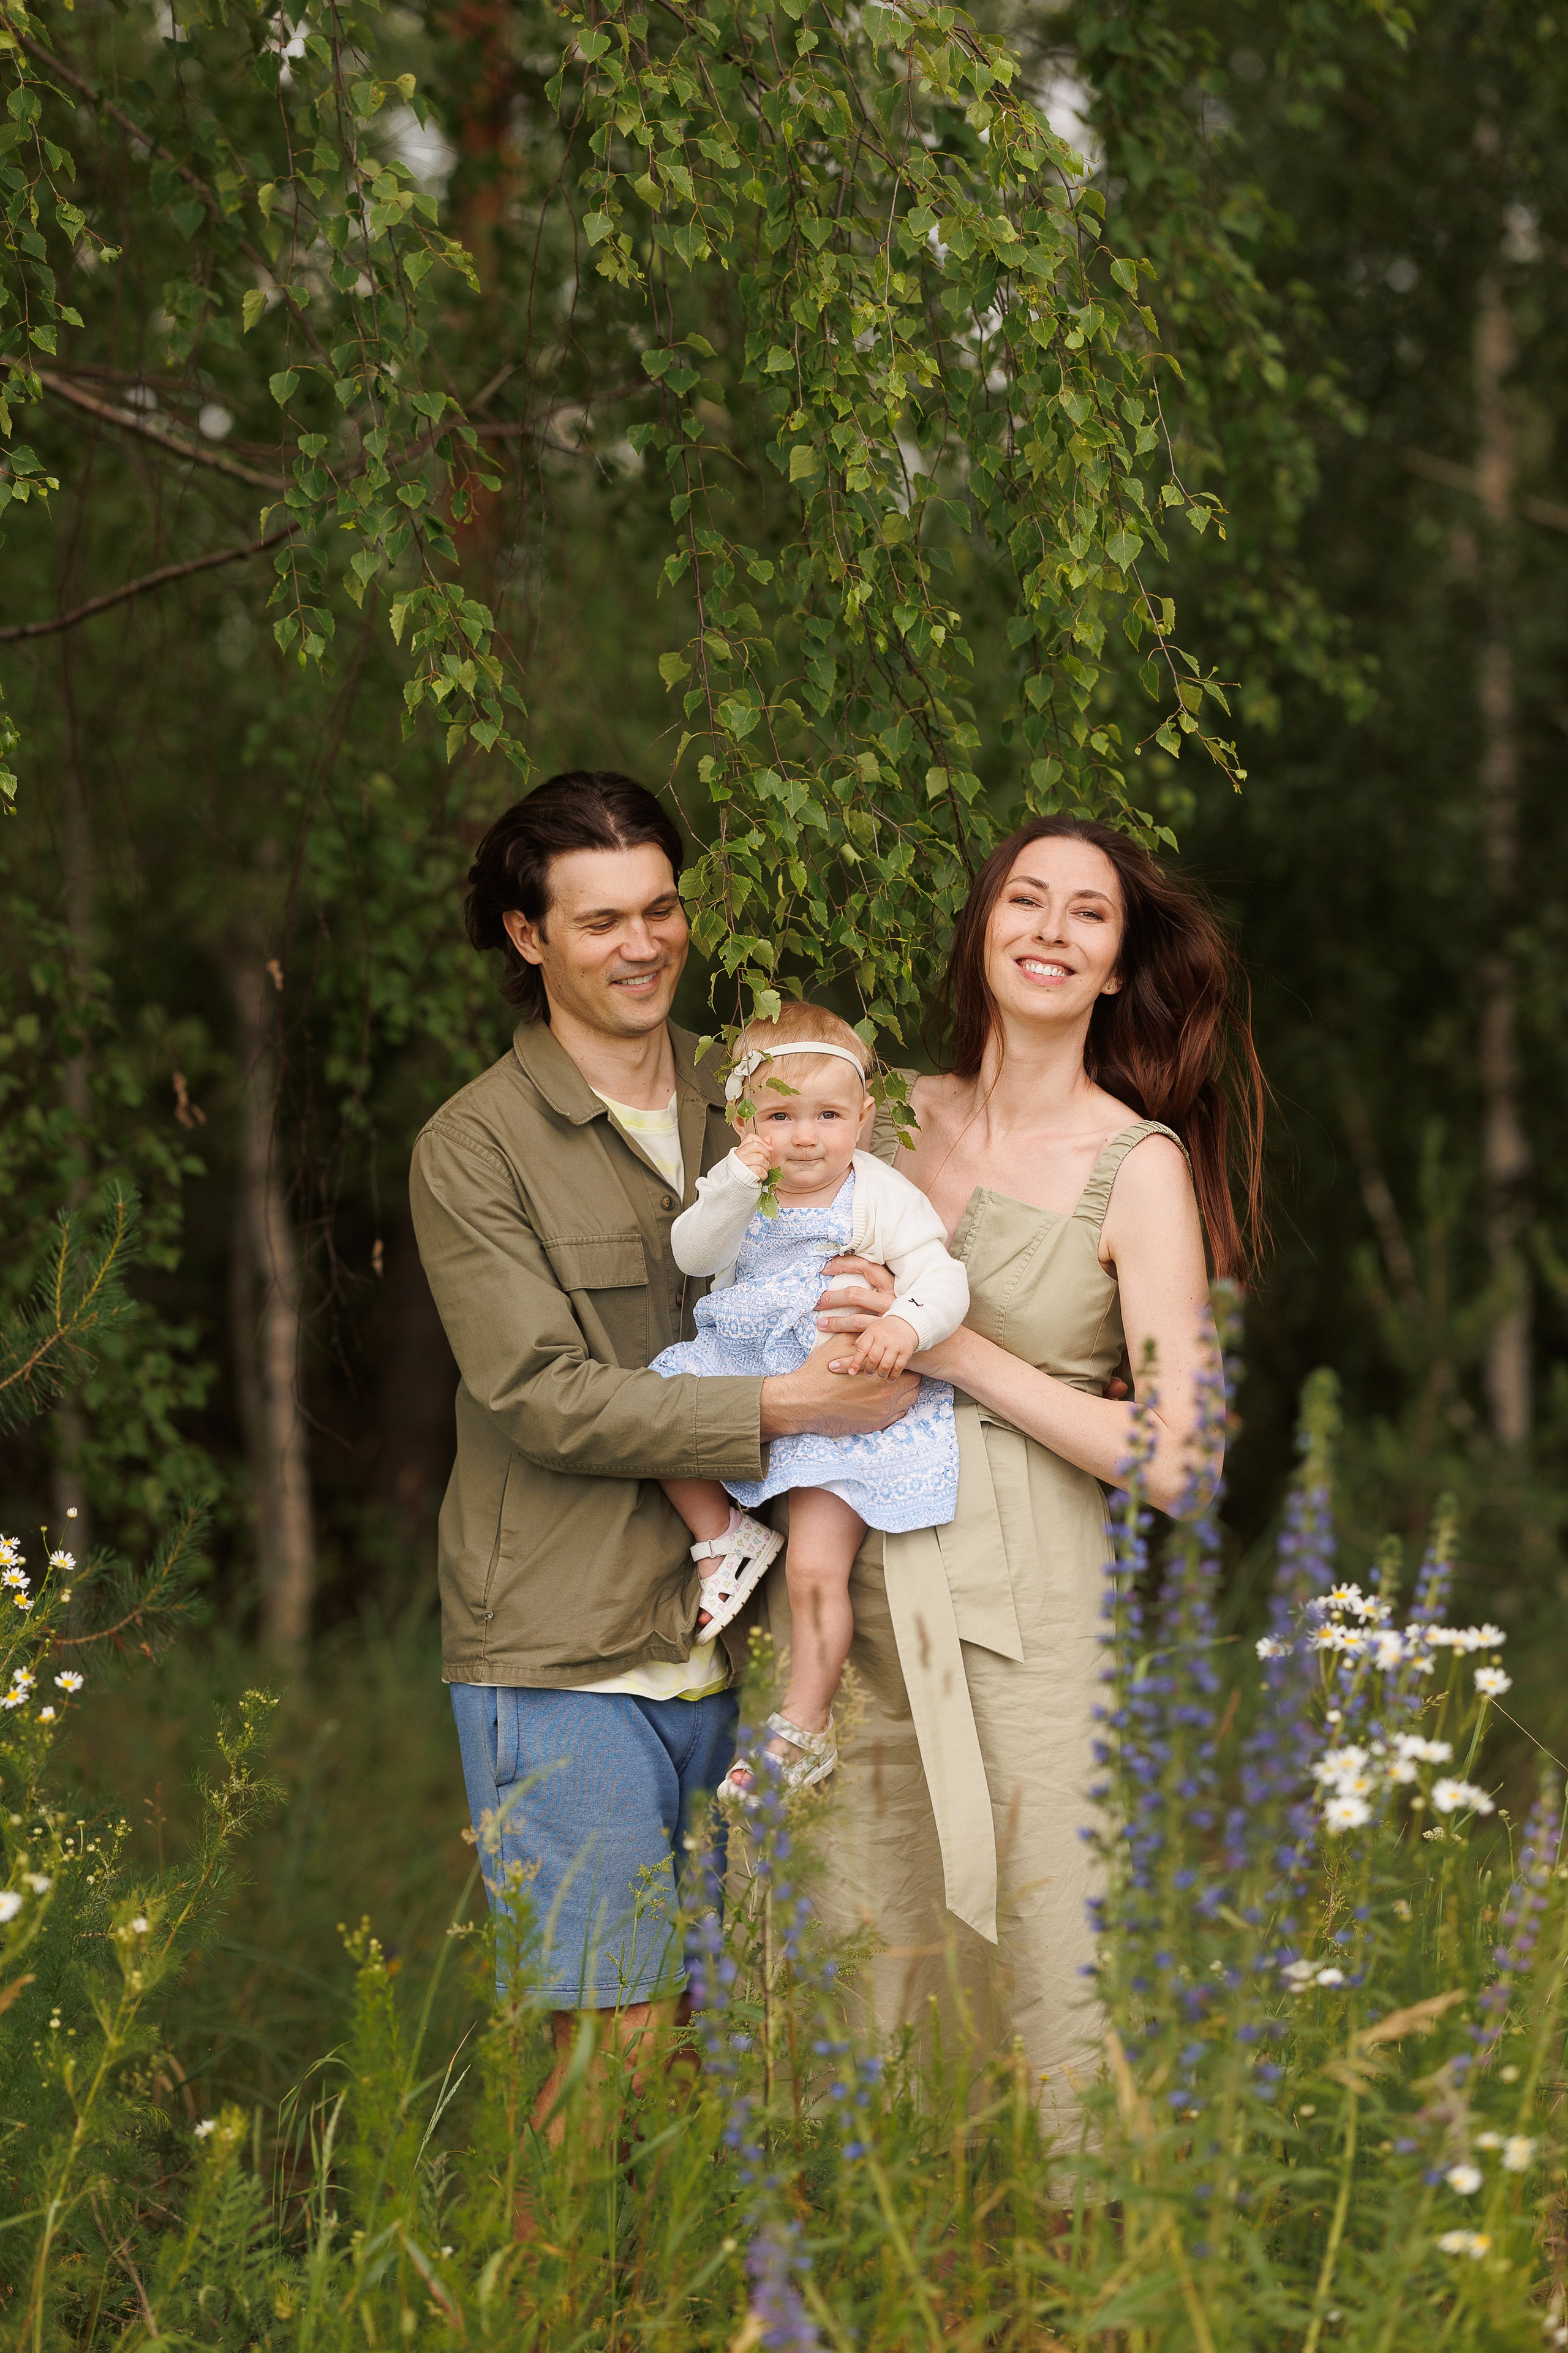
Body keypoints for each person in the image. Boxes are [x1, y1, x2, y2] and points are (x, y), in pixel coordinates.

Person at [408, 771, 917, 2134]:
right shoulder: (476, 1146)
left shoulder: (761, 1090)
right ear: (529, 939)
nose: (643, 945)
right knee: (605, 2041)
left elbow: (911, 1214)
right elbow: (539, 1395)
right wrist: (791, 1407)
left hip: (745, 1649)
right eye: (600, 921)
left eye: (663, 908)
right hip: (567, 1638)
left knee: (725, 2029)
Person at [760, 812, 1267, 2124]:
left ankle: (1067, 2284)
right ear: (981, 930)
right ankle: (852, 2262)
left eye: (1084, 914)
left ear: (1112, 966)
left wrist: (959, 1352)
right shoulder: (877, 1119)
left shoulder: (1133, 1165)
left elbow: (1182, 1459)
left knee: (1048, 1948)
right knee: (845, 1926)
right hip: (843, 1584)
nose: (1048, 930)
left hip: (1032, 1607)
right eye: (1023, 900)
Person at [649, 1002, 970, 1797]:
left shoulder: (878, 1193)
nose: (804, 1135)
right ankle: (724, 1536)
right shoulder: (742, 1187)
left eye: (827, 1115)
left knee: (817, 1568)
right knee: (657, 1414)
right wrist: (735, 1181)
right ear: (746, 1120)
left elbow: (942, 1277)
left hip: (840, 1383)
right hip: (746, 1363)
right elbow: (692, 1251)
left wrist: (905, 1321)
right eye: (780, 1115)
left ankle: (805, 1724)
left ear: (863, 1118)